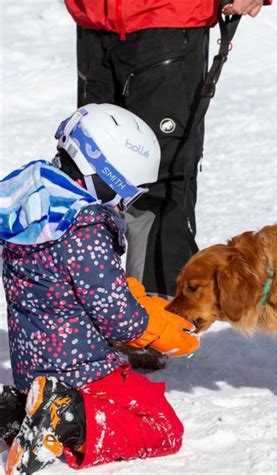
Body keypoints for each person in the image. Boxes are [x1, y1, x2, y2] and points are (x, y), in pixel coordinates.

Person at [0, 104, 200, 474]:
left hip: (31, 367)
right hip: (81, 370)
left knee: (137, 394)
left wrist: (128, 291)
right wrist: (156, 328)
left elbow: (62, 279)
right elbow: (119, 321)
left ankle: (16, 409)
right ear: (107, 174)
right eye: (129, 190)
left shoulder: (27, 198)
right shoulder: (85, 228)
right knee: (162, 427)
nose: (125, 201)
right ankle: (63, 415)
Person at [64, 0, 272, 296]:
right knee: (88, 174)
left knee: (159, 181)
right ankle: (94, 316)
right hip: (93, 21)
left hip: (168, 22)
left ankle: (158, 321)